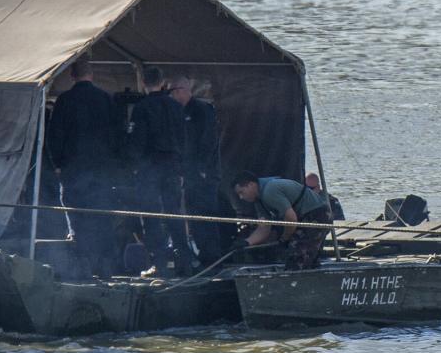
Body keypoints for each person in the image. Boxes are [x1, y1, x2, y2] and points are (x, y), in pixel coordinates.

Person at [47, 60, 118, 277]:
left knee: (77, 218)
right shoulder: (106, 99)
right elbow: (116, 135)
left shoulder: (65, 100)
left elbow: (54, 135)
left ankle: (83, 266)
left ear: (72, 75)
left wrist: (57, 163)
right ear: (92, 75)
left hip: (74, 168)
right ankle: (106, 267)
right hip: (101, 170)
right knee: (102, 217)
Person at [127, 65, 191, 275]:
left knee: (151, 215)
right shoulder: (176, 107)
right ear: (163, 83)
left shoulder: (142, 108)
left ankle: (159, 263)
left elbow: (136, 141)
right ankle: (185, 261)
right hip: (172, 166)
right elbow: (183, 139)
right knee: (174, 213)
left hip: (150, 167)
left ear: (144, 84)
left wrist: (134, 167)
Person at [169, 75, 224, 266]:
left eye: (173, 91)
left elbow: (209, 140)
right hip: (188, 174)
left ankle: (213, 257)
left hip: (204, 174)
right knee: (193, 215)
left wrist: (201, 168)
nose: (172, 96)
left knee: (205, 214)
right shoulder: (176, 112)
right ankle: (203, 254)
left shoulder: (202, 110)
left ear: (182, 90)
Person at [232, 171, 332, 269]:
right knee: (305, 255)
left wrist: (285, 238)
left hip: (317, 215)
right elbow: (264, 227)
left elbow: (291, 219)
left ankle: (294, 277)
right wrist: (246, 242)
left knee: (296, 254)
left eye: (242, 192)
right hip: (307, 216)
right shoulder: (259, 200)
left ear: (251, 185)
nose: (241, 197)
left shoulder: (269, 192)